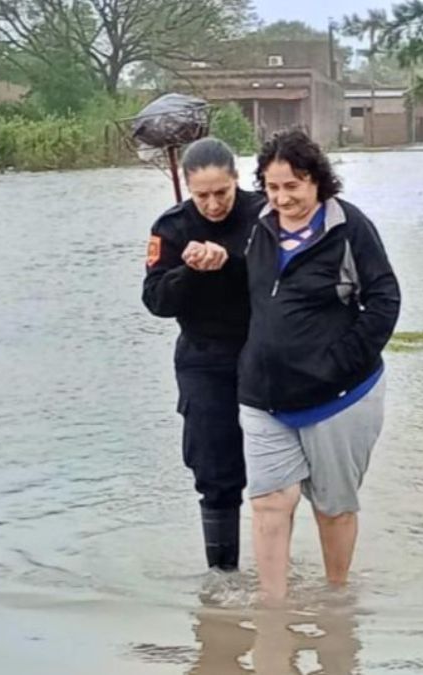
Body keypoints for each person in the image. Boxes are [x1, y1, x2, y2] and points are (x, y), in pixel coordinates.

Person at [237, 130, 401, 603]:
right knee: (269, 503)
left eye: (294, 186)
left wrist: (336, 365)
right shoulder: (257, 226)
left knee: (332, 508)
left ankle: (336, 602)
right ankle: (273, 607)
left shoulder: (350, 228)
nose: (283, 197)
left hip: (340, 397)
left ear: (318, 182)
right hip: (263, 395)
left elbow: (384, 302)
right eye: (272, 187)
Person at [142, 138, 267, 571]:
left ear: (237, 180)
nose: (213, 205)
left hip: (264, 350)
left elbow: (283, 283)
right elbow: (156, 302)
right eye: (203, 196)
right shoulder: (171, 227)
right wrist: (189, 272)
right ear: (189, 190)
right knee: (215, 470)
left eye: (222, 193)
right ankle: (223, 575)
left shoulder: (265, 212)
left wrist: (229, 262)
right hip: (203, 357)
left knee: (280, 468)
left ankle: (285, 573)